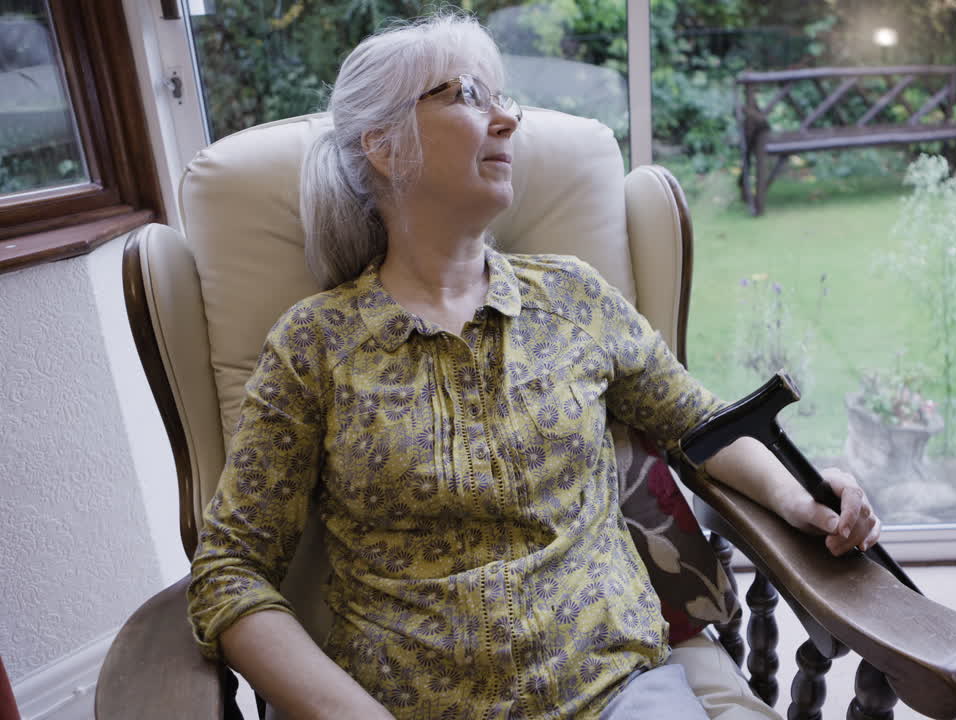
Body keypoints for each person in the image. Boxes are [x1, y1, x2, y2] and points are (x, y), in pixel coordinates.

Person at [186, 13, 881, 720]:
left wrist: (799, 496)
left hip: (619, 691)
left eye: (502, 98)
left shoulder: (573, 297)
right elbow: (229, 570)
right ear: (385, 148)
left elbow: (700, 426)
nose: (506, 121)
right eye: (465, 95)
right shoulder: (316, 346)